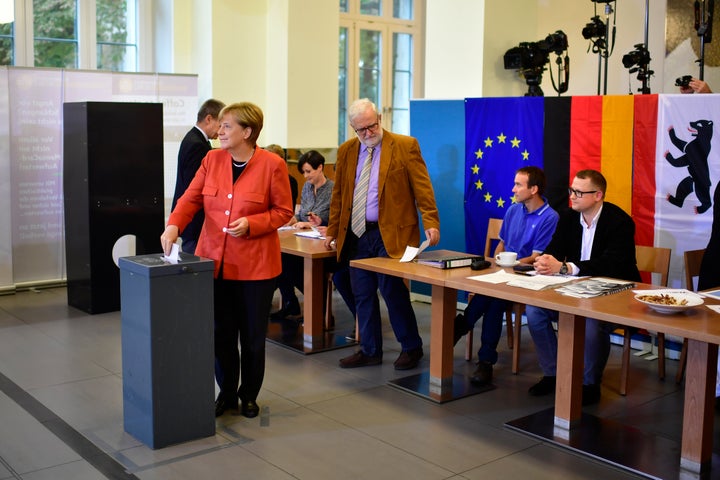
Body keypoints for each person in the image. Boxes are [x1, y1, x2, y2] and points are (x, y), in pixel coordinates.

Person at [160, 102, 294, 418]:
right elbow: (190, 198)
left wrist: (253, 224)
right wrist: (173, 225)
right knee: (221, 335)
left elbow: (283, 212)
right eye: (219, 126)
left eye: (227, 126)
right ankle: (227, 394)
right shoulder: (211, 159)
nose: (219, 131)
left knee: (251, 338)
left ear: (247, 131)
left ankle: (249, 395)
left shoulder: (272, 164)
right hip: (216, 264)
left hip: (256, 269)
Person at [324, 98, 440, 370]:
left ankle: (411, 347)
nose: (368, 133)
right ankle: (370, 349)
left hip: (392, 234)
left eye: (372, 125)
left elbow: (423, 188)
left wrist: (431, 221)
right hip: (357, 234)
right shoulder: (347, 151)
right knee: (362, 293)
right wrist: (332, 230)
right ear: (353, 128)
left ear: (379, 118)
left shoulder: (404, 146)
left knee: (392, 291)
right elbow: (340, 194)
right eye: (361, 129)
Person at [526, 169, 641, 406]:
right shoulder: (568, 217)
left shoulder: (620, 222)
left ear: (598, 195)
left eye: (579, 192)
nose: (573, 196)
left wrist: (568, 268)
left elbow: (612, 264)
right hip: (576, 291)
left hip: (617, 294)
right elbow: (555, 249)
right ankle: (553, 373)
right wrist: (545, 261)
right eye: (571, 190)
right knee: (534, 310)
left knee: (591, 321)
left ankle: (589, 383)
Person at [454, 166, 558, 386]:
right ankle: (484, 359)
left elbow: (537, 256)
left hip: (528, 276)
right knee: (492, 297)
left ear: (534, 189)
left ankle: (462, 330)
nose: (513, 189)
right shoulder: (512, 210)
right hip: (503, 273)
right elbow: (501, 243)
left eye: (518, 185)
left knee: (494, 300)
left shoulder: (550, 217)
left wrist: (512, 265)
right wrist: (497, 262)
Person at [272, 150, 337, 320]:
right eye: (304, 172)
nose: (306, 176)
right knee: (280, 260)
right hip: (305, 240)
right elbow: (301, 217)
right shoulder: (307, 188)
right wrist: (290, 220)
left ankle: (316, 305)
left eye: (309, 172)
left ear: (320, 167)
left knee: (291, 265)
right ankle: (293, 302)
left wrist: (316, 222)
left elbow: (336, 220)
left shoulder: (333, 189)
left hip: (325, 245)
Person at [171, 99, 225, 254]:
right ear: (209, 119)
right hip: (194, 221)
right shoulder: (197, 144)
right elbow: (195, 187)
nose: (221, 131)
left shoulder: (195, 139)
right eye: (220, 124)